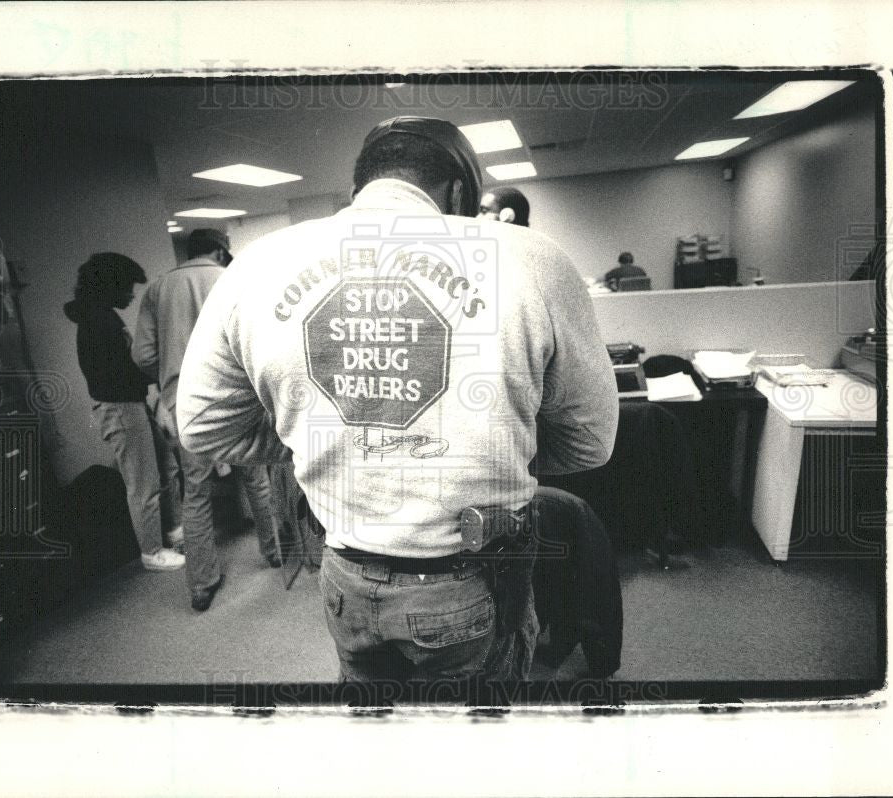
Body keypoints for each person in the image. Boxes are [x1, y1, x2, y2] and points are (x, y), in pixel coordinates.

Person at [176, 116, 618, 687]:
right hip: (472, 576)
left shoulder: (255, 264)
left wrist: (328, 444)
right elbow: (590, 442)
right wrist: (478, 448)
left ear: (363, 184)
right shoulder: (531, 258)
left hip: (343, 577)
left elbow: (203, 428)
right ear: (458, 192)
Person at [133, 229, 280, 612]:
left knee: (194, 494)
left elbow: (143, 355)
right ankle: (275, 551)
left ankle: (202, 584)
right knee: (256, 479)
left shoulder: (158, 289)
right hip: (237, 396)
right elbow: (262, 339)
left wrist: (170, 377)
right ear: (219, 251)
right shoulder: (233, 279)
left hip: (185, 402)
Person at [63, 253, 186, 573]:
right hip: (121, 409)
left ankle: (174, 530)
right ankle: (152, 552)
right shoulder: (98, 322)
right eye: (128, 287)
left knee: (167, 466)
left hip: (130, 405)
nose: (132, 294)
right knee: (143, 484)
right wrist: (156, 370)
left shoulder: (102, 317)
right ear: (110, 285)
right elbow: (120, 374)